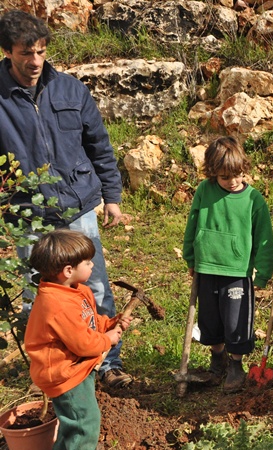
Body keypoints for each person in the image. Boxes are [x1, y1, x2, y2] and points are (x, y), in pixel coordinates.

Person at [0, 10, 132, 389]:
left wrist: (112, 196)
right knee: (38, 293)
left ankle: (107, 364)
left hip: (76, 207)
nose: (35, 61)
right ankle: (52, 371)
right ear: (8, 51)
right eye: (26, 53)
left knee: (96, 286)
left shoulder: (71, 89)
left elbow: (99, 146)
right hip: (27, 215)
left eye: (41, 51)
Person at [24, 230, 131, 450]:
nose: (93, 265)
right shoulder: (56, 304)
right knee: (85, 419)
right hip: (63, 373)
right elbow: (84, 343)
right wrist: (107, 340)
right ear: (68, 270)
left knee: (71, 418)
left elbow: (87, 324)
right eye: (88, 263)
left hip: (74, 366)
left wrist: (110, 324)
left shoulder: (74, 290)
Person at [182, 136, 273, 393]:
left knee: (236, 320)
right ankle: (217, 358)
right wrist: (191, 257)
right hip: (206, 267)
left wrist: (263, 273)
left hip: (236, 271)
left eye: (238, 175)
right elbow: (192, 224)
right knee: (210, 319)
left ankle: (236, 364)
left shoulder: (254, 201)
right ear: (212, 173)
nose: (233, 182)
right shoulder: (204, 191)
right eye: (224, 177)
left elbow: (265, 240)